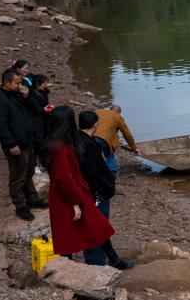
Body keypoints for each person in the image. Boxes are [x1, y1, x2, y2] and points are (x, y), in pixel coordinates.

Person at [41, 106, 132, 268]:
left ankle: (111, 260)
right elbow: (64, 178)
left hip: (67, 193)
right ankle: (82, 265)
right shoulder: (61, 148)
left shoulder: (53, 142)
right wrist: (76, 202)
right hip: (70, 194)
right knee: (91, 227)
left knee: (88, 227)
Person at [0, 68, 47, 220]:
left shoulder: (18, 94)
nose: (19, 85)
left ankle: (33, 198)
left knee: (29, 172)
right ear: (6, 83)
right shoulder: (0, 101)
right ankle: (20, 205)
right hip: (16, 145)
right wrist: (11, 144)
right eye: (17, 83)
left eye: (20, 82)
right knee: (18, 175)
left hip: (28, 140)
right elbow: (1, 126)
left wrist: (27, 96)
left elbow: (34, 108)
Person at [78, 110, 118, 266]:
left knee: (96, 225)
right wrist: (96, 194)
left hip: (93, 192)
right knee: (98, 225)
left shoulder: (78, 139)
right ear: (95, 124)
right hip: (97, 194)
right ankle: (96, 262)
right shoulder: (88, 145)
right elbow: (91, 172)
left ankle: (106, 258)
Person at [93, 105, 140, 175]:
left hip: (90, 138)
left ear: (109, 109)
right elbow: (127, 134)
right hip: (104, 141)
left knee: (93, 156)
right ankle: (111, 177)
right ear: (119, 113)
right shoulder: (118, 117)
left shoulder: (98, 111)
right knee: (109, 156)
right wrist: (134, 148)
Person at [26, 74, 53, 155]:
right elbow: (33, 109)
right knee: (38, 139)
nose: (45, 86)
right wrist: (44, 110)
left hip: (44, 118)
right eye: (44, 84)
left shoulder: (43, 91)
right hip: (36, 120)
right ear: (37, 84)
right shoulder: (31, 95)